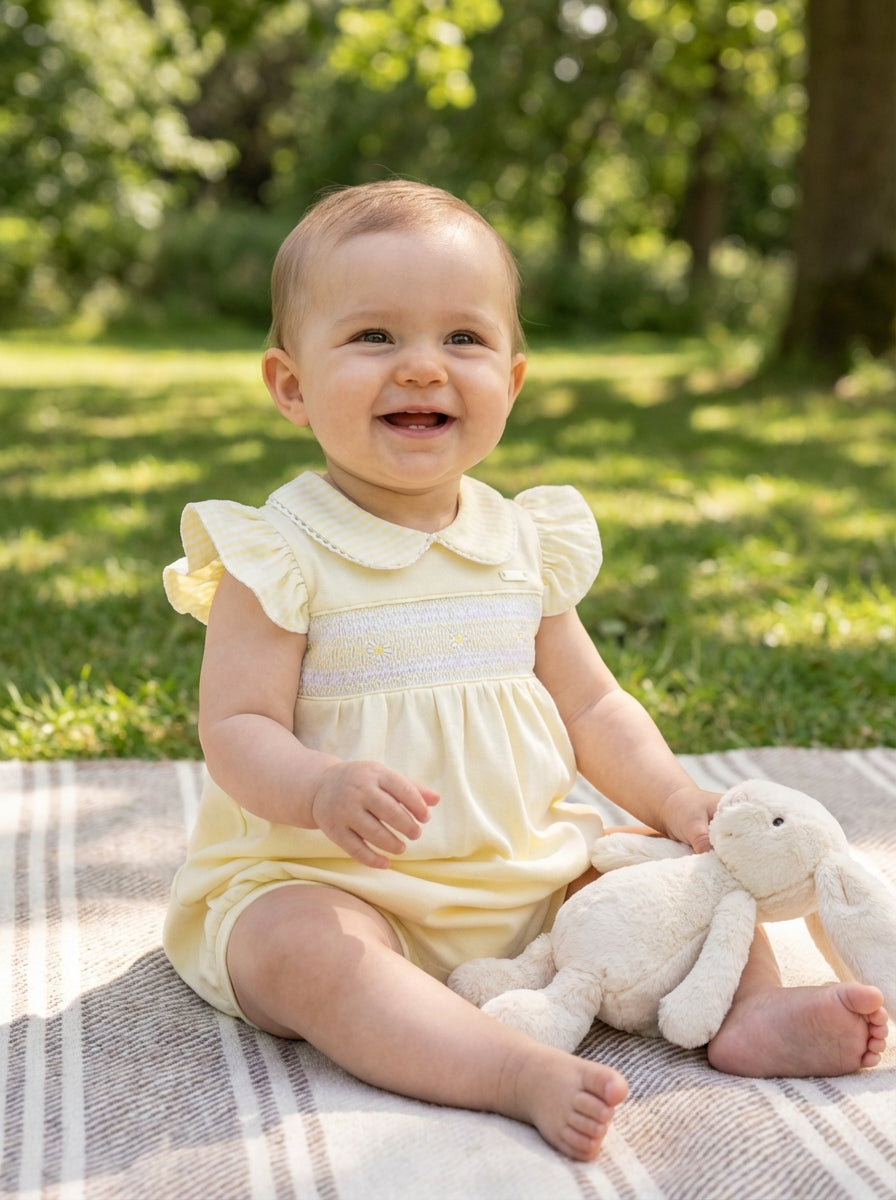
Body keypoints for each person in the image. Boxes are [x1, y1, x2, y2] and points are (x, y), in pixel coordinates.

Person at [163, 180, 888, 1162]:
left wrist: (677, 800)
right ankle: (503, 1067)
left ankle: (748, 1013)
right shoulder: (278, 552)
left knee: (676, 873)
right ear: (290, 386)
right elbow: (235, 729)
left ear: (510, 377)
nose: (422, 367)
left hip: (528, 868)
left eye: (461, 340)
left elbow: (591, 703)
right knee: (300, 955)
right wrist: (322, 786)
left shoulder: (520, 540)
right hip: (337, 877)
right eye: (373, 336)